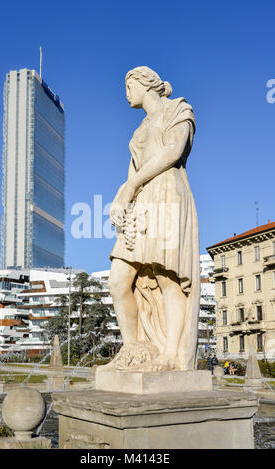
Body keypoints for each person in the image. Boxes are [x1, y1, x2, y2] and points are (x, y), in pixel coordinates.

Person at [108, 66, 199, 372]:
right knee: (118, 280)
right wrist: (121, 198)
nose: (126, 93)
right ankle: (133, 350)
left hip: (168, 194)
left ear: (145, 84)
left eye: (128, 85)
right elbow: (132, 174)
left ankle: (171, 354)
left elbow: (173, 152)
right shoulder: (139, 131)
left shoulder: (178, 108)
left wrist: (133, 185)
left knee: (167, 278)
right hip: (141, 202)